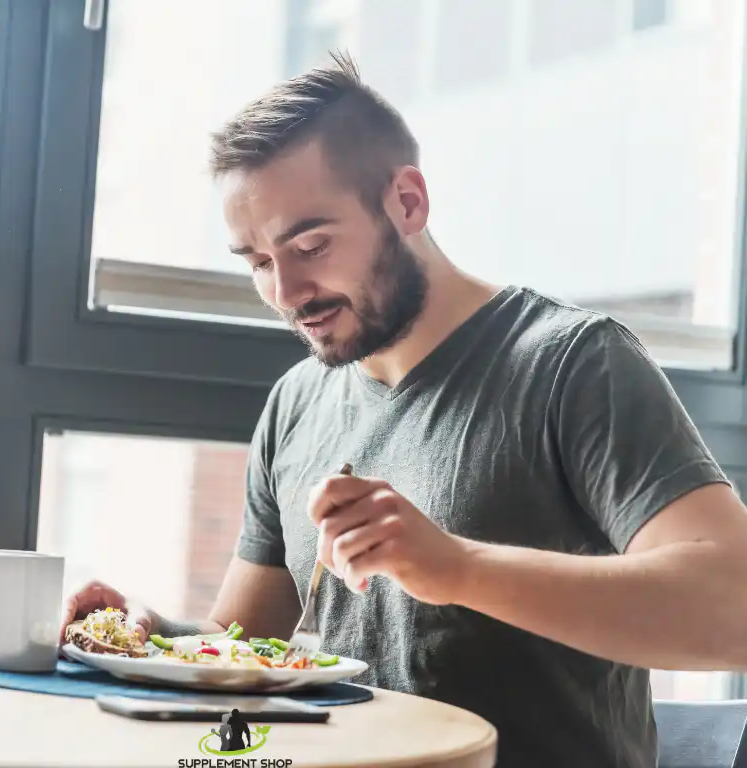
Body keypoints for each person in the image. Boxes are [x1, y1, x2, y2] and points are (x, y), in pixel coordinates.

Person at [60, 53, 747, 767]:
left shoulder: (575, 364)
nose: (286, 293)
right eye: (258, 261)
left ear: (408, 203)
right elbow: (242, 649)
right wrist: (151, 638)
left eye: (311, 245)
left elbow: (735, 609)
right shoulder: (298, 402)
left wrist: (456, 568)